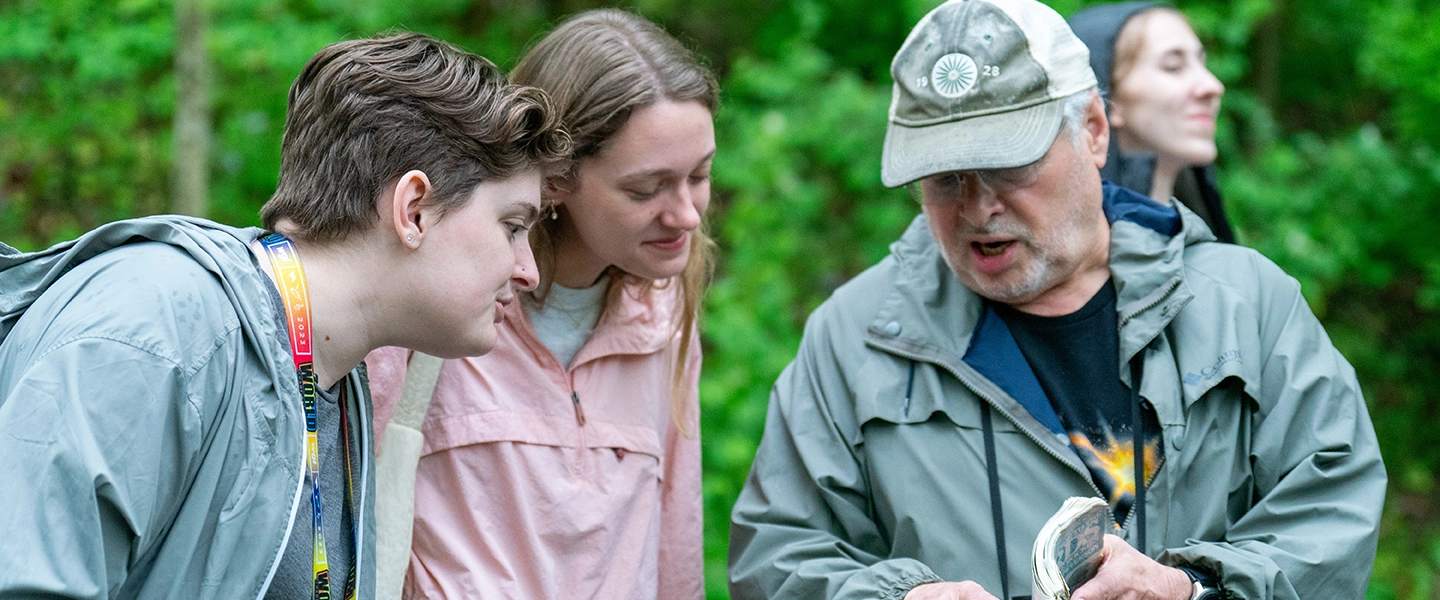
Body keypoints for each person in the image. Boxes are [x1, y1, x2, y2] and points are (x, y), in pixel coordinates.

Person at [727, 1, 1386, 599]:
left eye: (1011, 165)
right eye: (946, 177)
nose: (980, 206)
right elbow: (778, 557)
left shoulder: (1247, 306)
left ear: (1094, 130)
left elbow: (1332, 525)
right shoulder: (856, 335)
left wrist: (1191, 591)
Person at [0, 33, 567, 599]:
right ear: (413, 210)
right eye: (512, 226)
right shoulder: (158, 330)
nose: (527, 270)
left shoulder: (335, 378)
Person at [362, 9, 716, 599]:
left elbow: (675, 547)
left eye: (699, 175)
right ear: (558, 177)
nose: (686, 214)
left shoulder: (666, 316)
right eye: (646, 188)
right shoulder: (433, 306)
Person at [1069, 1, 1236, 242]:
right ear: (1107, 100)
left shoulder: (1209, 248)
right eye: (1173, 67)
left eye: (1202, 62)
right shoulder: (1066, 269)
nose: (1213, 86)